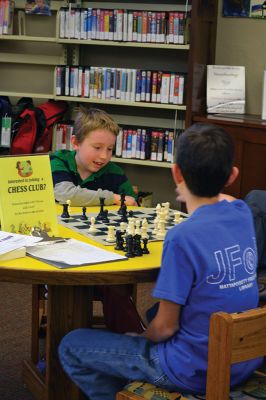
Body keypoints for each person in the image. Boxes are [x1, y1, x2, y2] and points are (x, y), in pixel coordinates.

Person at [58, 123, 262, 400]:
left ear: (176, 172)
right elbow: (227, 200)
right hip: (244, 359)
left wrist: (142, 339)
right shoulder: (243, 213)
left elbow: (166, 328)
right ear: (232, 176)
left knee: (72, 344)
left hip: (190, 369)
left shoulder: (181, 238)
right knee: (153, 313)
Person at [50, 107, 137, 207]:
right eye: (97, 147)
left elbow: (132, 202)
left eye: (109, 149)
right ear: (76, 143)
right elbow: (66, 195)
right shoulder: (58, 161)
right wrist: (113, 198)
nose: (104, 156)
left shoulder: (116, 173)